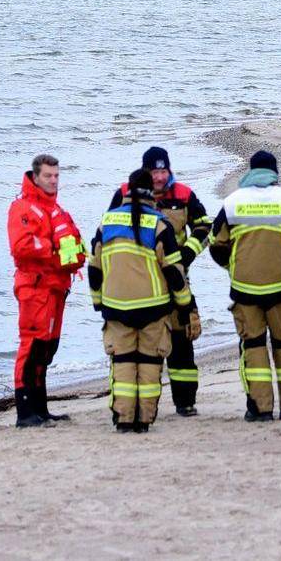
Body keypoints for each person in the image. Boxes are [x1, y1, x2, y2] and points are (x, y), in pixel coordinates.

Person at [209, 150, 281, 421]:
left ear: (251, 171)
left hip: (244, 289)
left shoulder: (233, 202)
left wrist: (232, 265)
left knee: (253, 348)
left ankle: (260, 410)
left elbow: (215, 242)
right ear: (275, 173)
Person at [93, 168, 199, 433]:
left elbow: (94, 268)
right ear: (151, 193)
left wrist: (98, 302)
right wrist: (185, 305)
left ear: (127, 191)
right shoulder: (160, 224)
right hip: (153, 308)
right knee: (150, 365)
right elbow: (175, 273)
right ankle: (144, 420)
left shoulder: (106, 222)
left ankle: (124, 419)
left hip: (116, 307)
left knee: (123, 364)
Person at [108, 146, 212, 416]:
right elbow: (109, 232)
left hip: (176, 275)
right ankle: (133, 403)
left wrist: (187, 254)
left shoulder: (184, 195)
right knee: (137, 345)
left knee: (182, 339)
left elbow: (204, 226)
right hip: (139, 280)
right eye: (154, 172)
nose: (159, 177)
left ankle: (185, 402)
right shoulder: (123, 194)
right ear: (145, 172)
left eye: (163, 170)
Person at [6, 154, 87, 428]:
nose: (53, 181)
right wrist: (53, 252)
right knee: (32, 345)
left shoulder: (57, 211)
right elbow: (22, 247)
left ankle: (41, 410)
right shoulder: (22, 208)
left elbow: (75, 251)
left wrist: (66, 256)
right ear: (35, 176)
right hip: (34, 287)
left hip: (56, 288)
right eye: (48, 176)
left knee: (47, 349)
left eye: (56, 176)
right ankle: (25, 413)